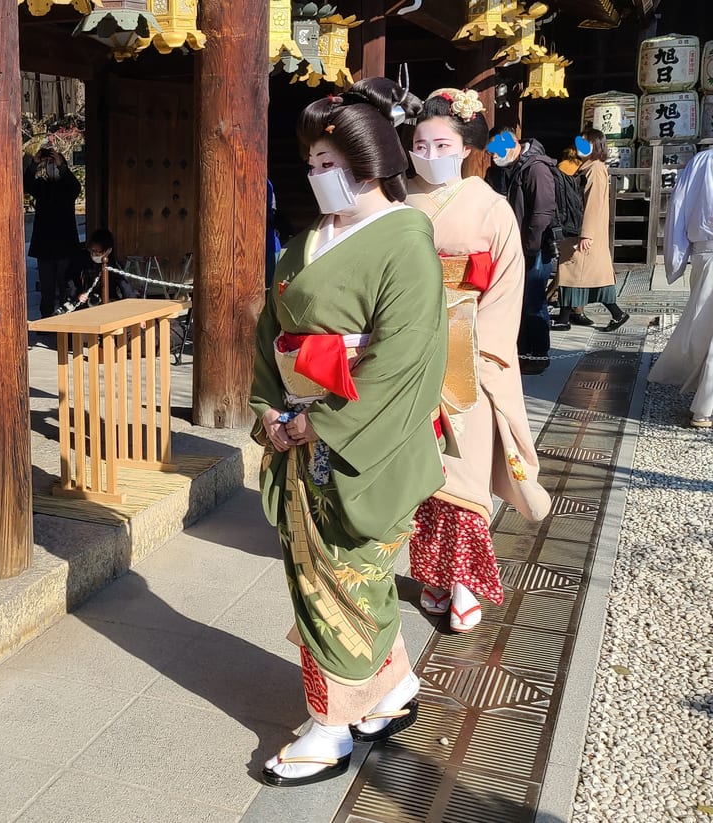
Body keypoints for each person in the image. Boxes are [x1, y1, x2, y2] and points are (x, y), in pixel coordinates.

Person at [250, 78, 447, 788]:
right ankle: (390, 688)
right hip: (300, 427)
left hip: (356, 438)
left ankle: (330, 726)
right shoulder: (308, 243)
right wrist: (271, 409)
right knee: (333, 577)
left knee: (340, 578)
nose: (315, 173)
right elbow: (270, 331)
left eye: (326, 160)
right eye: (311, 161)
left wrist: (319, 420)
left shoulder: (405, 243)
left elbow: (401, 359)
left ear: (368, 163)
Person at [404, 89, 552, 633]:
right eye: (419, 143)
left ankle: (464, 578)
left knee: (462, 468)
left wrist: (479, 351)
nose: (428, 152)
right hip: (406, 345)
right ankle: (434, 576)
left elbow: (506, 289)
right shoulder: (399, 202)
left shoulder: (490, 207)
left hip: (467, 349)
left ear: (467, 146)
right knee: (420, 473)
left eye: (441, 143)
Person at [486, 126, 558, 374]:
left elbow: (541, 214)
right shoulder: (504, 169)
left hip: (534, 246)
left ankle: (538, 354)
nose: (494, 155)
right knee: (518, 300)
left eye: (497, 148)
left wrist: (529, 248)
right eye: (491, 150)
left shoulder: (536, 168)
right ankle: (522, 351)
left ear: (513, 142)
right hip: (513, 244)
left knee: (533, 300)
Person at [650, 148, 713, 428]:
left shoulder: (702, 161)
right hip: (705, 250)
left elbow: (679, 207)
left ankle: (703, 397)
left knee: (703, 327)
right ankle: (704, 404)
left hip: (704, 253)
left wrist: (677, 256)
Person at [553, 129, 630, 332]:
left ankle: (616, 313)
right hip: (583, 230)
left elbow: (593, 204)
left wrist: (586, 233)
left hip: (586, 232)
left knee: (578, 272)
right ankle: (568, 317)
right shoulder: (590, 167)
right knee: (576, 273)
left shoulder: (594, 169)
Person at [24, 145, 83, 317]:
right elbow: (27, 184)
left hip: (65, 244)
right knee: (47, 289)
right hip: (45, 246)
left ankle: (67, 321)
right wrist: (35, 162)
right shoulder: (41, 186)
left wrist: (61, 165)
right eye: (49, 164)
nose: (51, 166)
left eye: (53, 164)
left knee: (67, 286)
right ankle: (46, 320)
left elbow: (75, 186)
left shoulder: (67, 188)